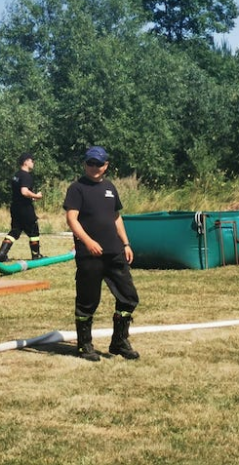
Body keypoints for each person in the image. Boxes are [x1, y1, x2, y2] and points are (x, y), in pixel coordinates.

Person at [63, 146, 140, 362]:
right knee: (88, 300)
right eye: (91, 163)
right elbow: (72, 219)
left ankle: (119, 342)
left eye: (99, 164)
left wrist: (126, 243)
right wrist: (87, 242)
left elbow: (116, 217)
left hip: (114, 252)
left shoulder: (109, 187)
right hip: (90, 255)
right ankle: (84, 345)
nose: (95, 167)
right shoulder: (77, 188)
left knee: (128, 297)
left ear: (106, 165)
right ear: (85, 164)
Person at [0, 152, 44, 262]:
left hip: (15, 207)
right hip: (25, 209)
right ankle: (36, 256)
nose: (33, 163)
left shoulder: (16, 175)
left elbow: (19, 193)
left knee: (15, 231)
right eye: (32, 161)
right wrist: (36, 195)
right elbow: (24, 191)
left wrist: (31, 198)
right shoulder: (26, 175)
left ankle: (1, 255)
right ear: (26, 162)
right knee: (34, 231)